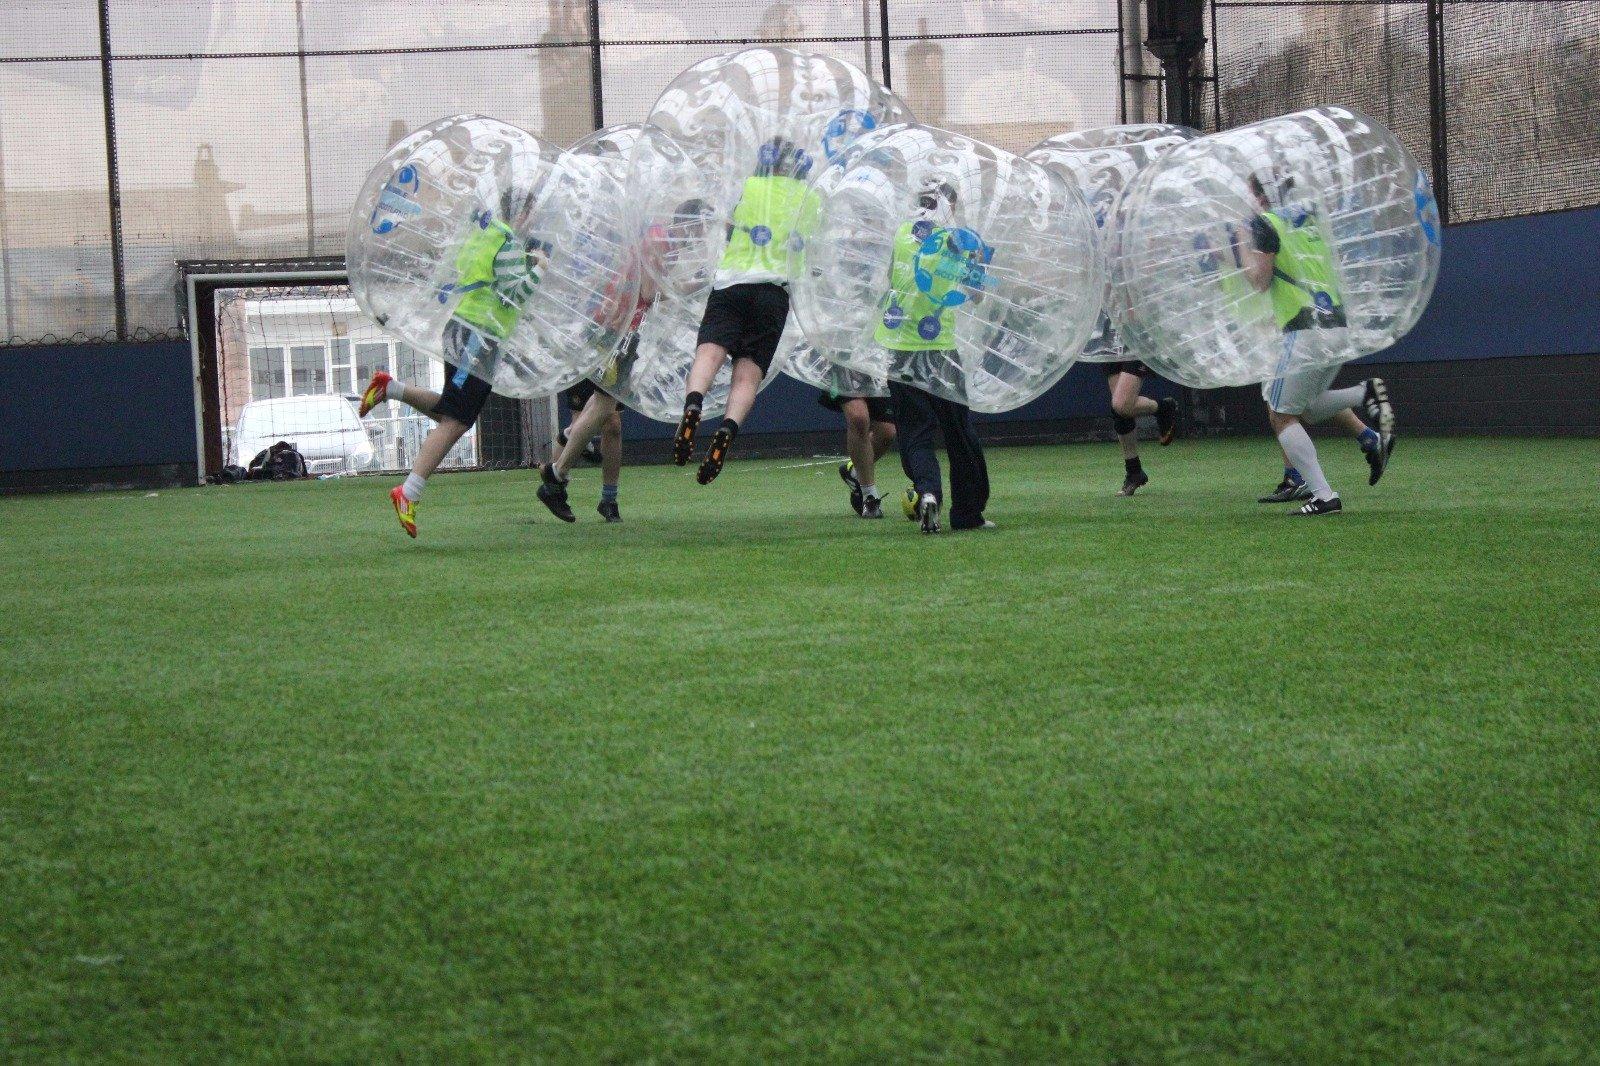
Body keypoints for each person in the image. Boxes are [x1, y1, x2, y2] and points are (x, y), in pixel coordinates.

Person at [359, 194, 542, 537]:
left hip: (469, 330)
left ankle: (390, 388)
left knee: (454, 413)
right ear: (522, 212)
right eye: (532, 215)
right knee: (457, 420)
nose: (533, 223)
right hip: (478, 336)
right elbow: (514, 294)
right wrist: (539, 268)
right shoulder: (509, 242)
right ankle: (407, 492)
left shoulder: (485, 232)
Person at [1241, 172, 1395, 516]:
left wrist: (1241, 247)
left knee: (1280, 415)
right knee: (1305, 409)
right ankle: (1364, 394)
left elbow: (1260, 281)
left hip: (1304, 327)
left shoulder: (1265, 224)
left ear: (1261, 196)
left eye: (1252, 193)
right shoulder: (1309, 219)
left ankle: (1324, 496)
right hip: (1335, 323)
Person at [672, 138, 816, 485]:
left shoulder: (747, 186)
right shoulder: (809, 198)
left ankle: (693, 404)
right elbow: (808, 248)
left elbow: (723, 223)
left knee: (709, 352)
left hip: (731, 283)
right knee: (748, 372)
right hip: (773, 292)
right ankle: (728, 428)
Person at [880, 180, 993, 534]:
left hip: (901, 350)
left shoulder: (899, 235)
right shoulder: (960, 240)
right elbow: (975, 295)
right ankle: (968, 513)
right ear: (951, 206)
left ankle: (928, 493)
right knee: (959, 433)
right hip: (942, 350)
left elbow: (888, 284)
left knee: (915, 433)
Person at [817, 369, 896, 518]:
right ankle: (869, 497)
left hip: (874, 361)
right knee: (859, 418)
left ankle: (854, 472)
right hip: (841, 360)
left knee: (887, 432)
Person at [1101, 348, 1179, 496]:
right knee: (1120, 409)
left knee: (1121, 404)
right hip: (1111, 336)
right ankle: (1134, 472)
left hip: (1135, 336)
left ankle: (1163, 407)